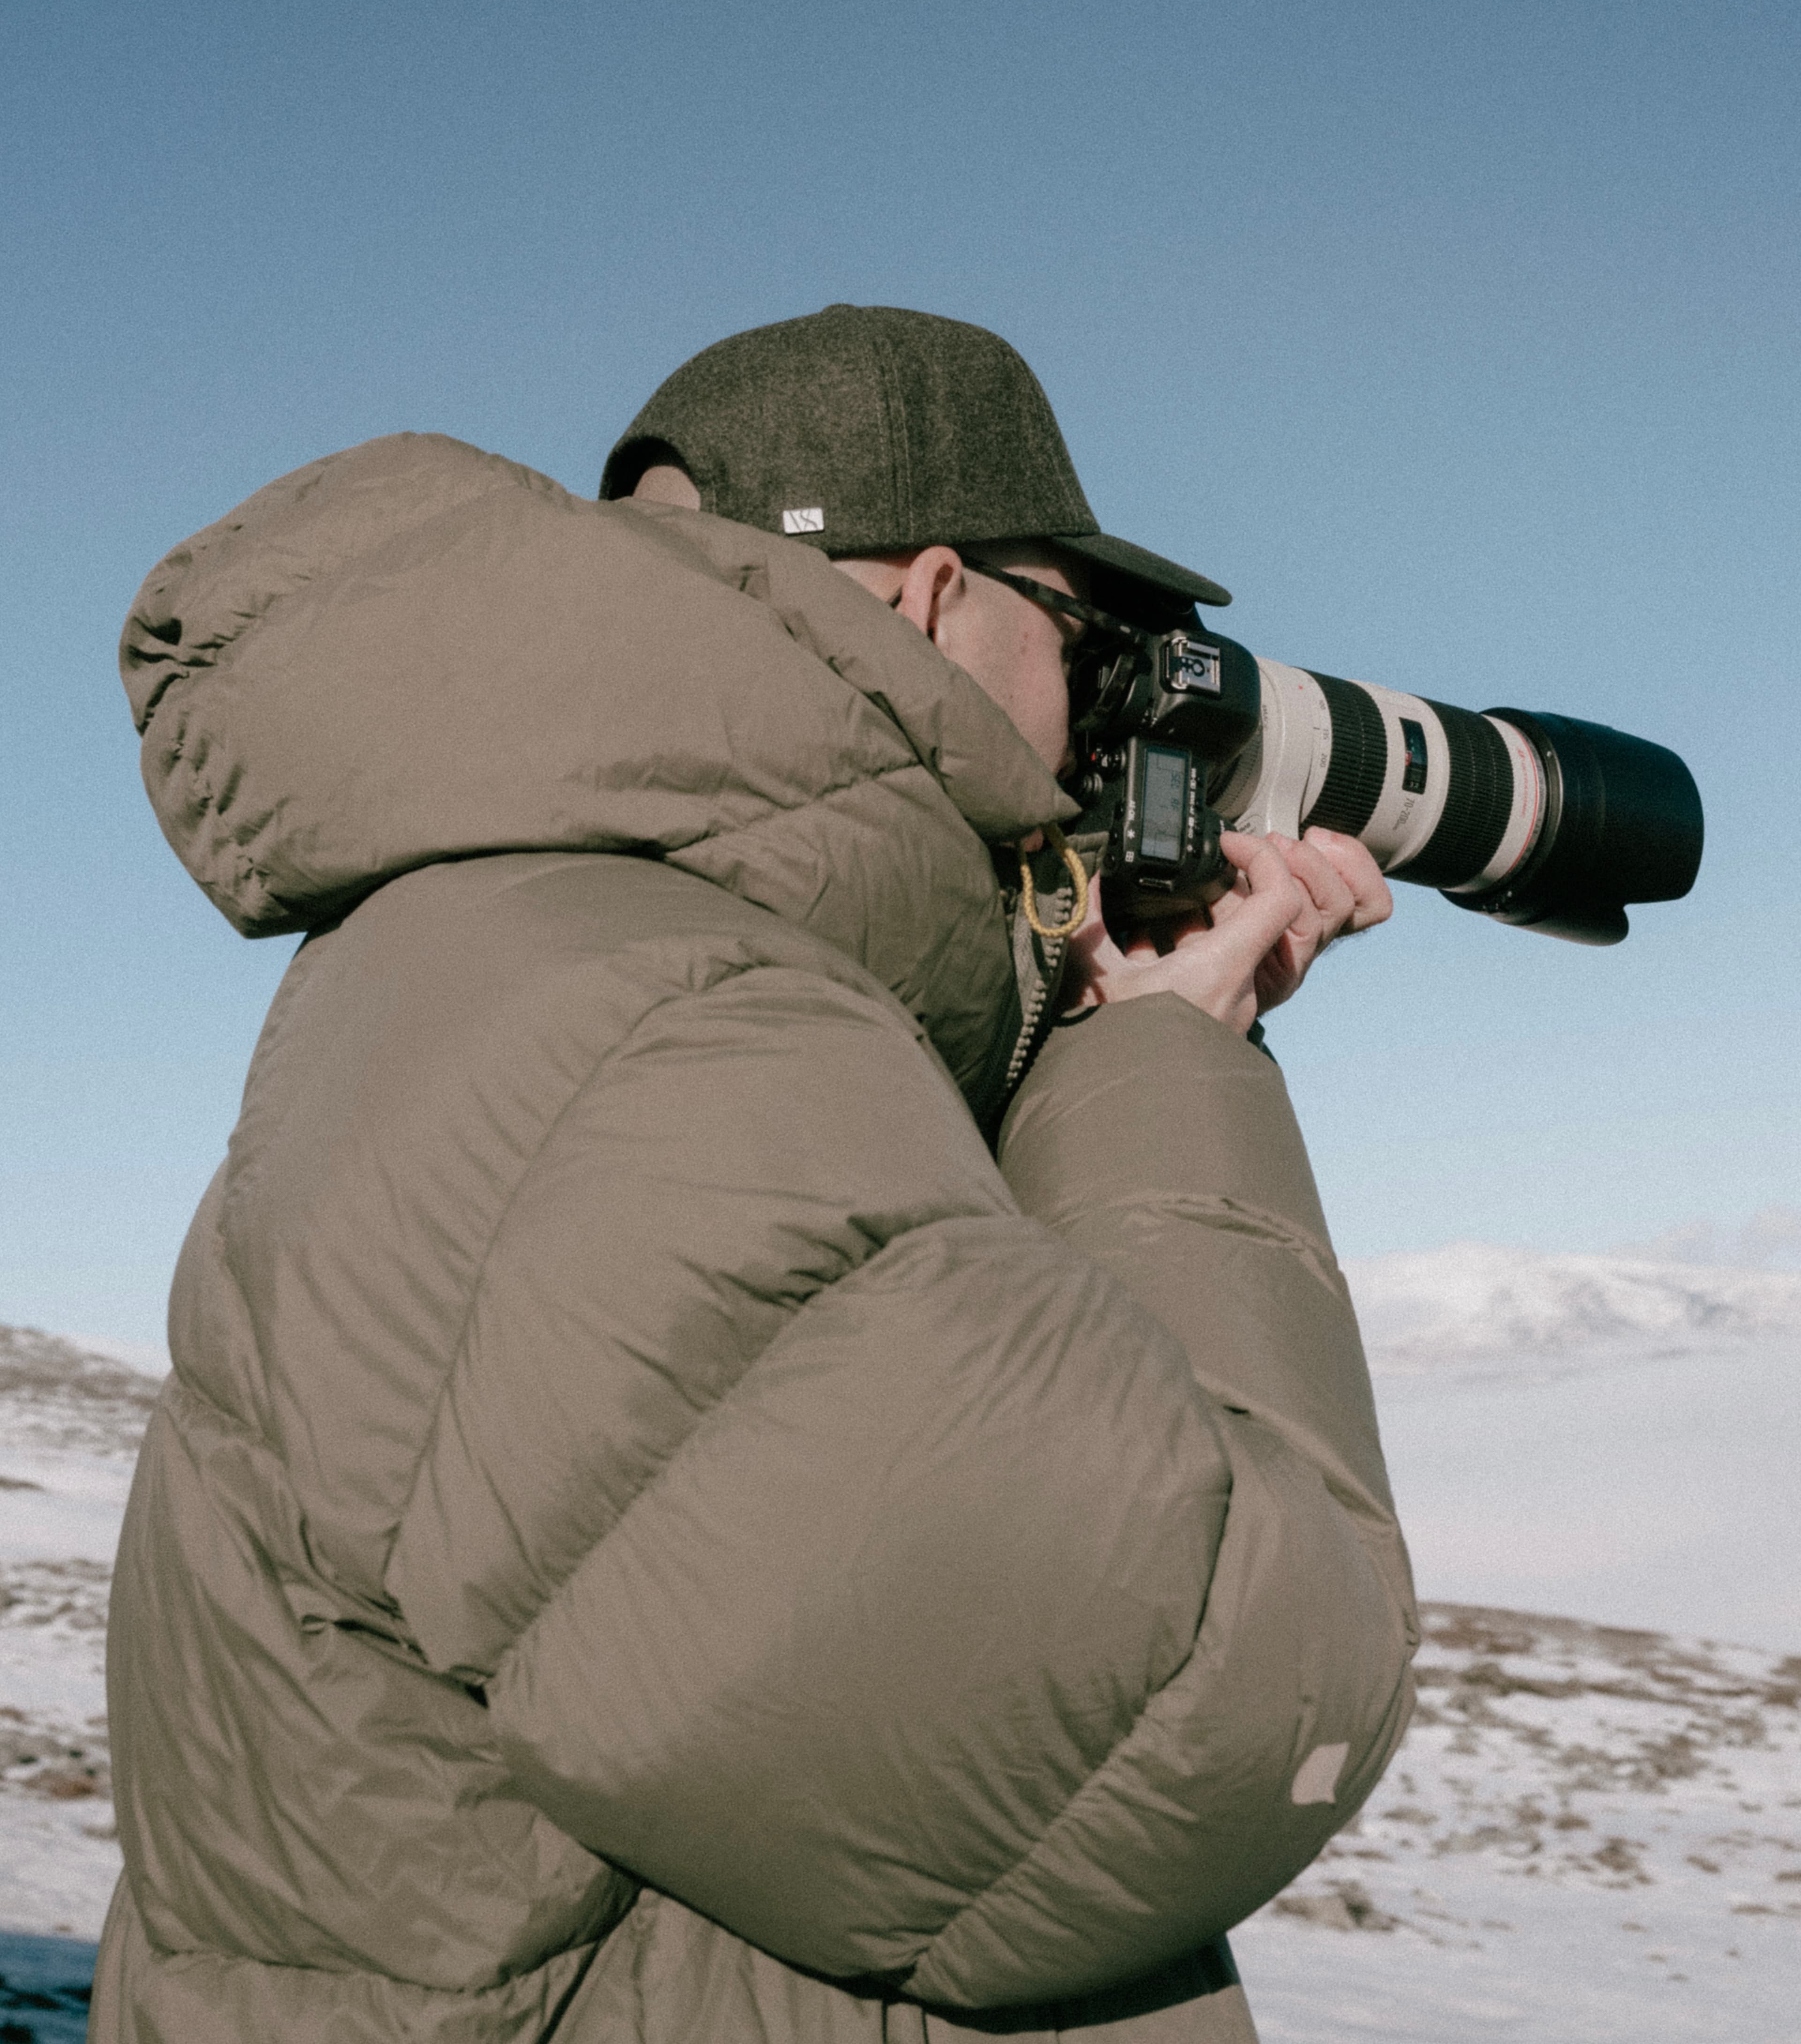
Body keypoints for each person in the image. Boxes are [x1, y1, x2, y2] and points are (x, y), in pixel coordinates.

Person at [94, 304, 1416, 2044]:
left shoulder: (566, 959)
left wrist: (1087, 1021)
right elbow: (1203, 1709)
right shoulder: (661, 1037)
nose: (1101, 719)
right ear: (933, 599)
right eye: (1091, 640)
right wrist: (1173, 1069)